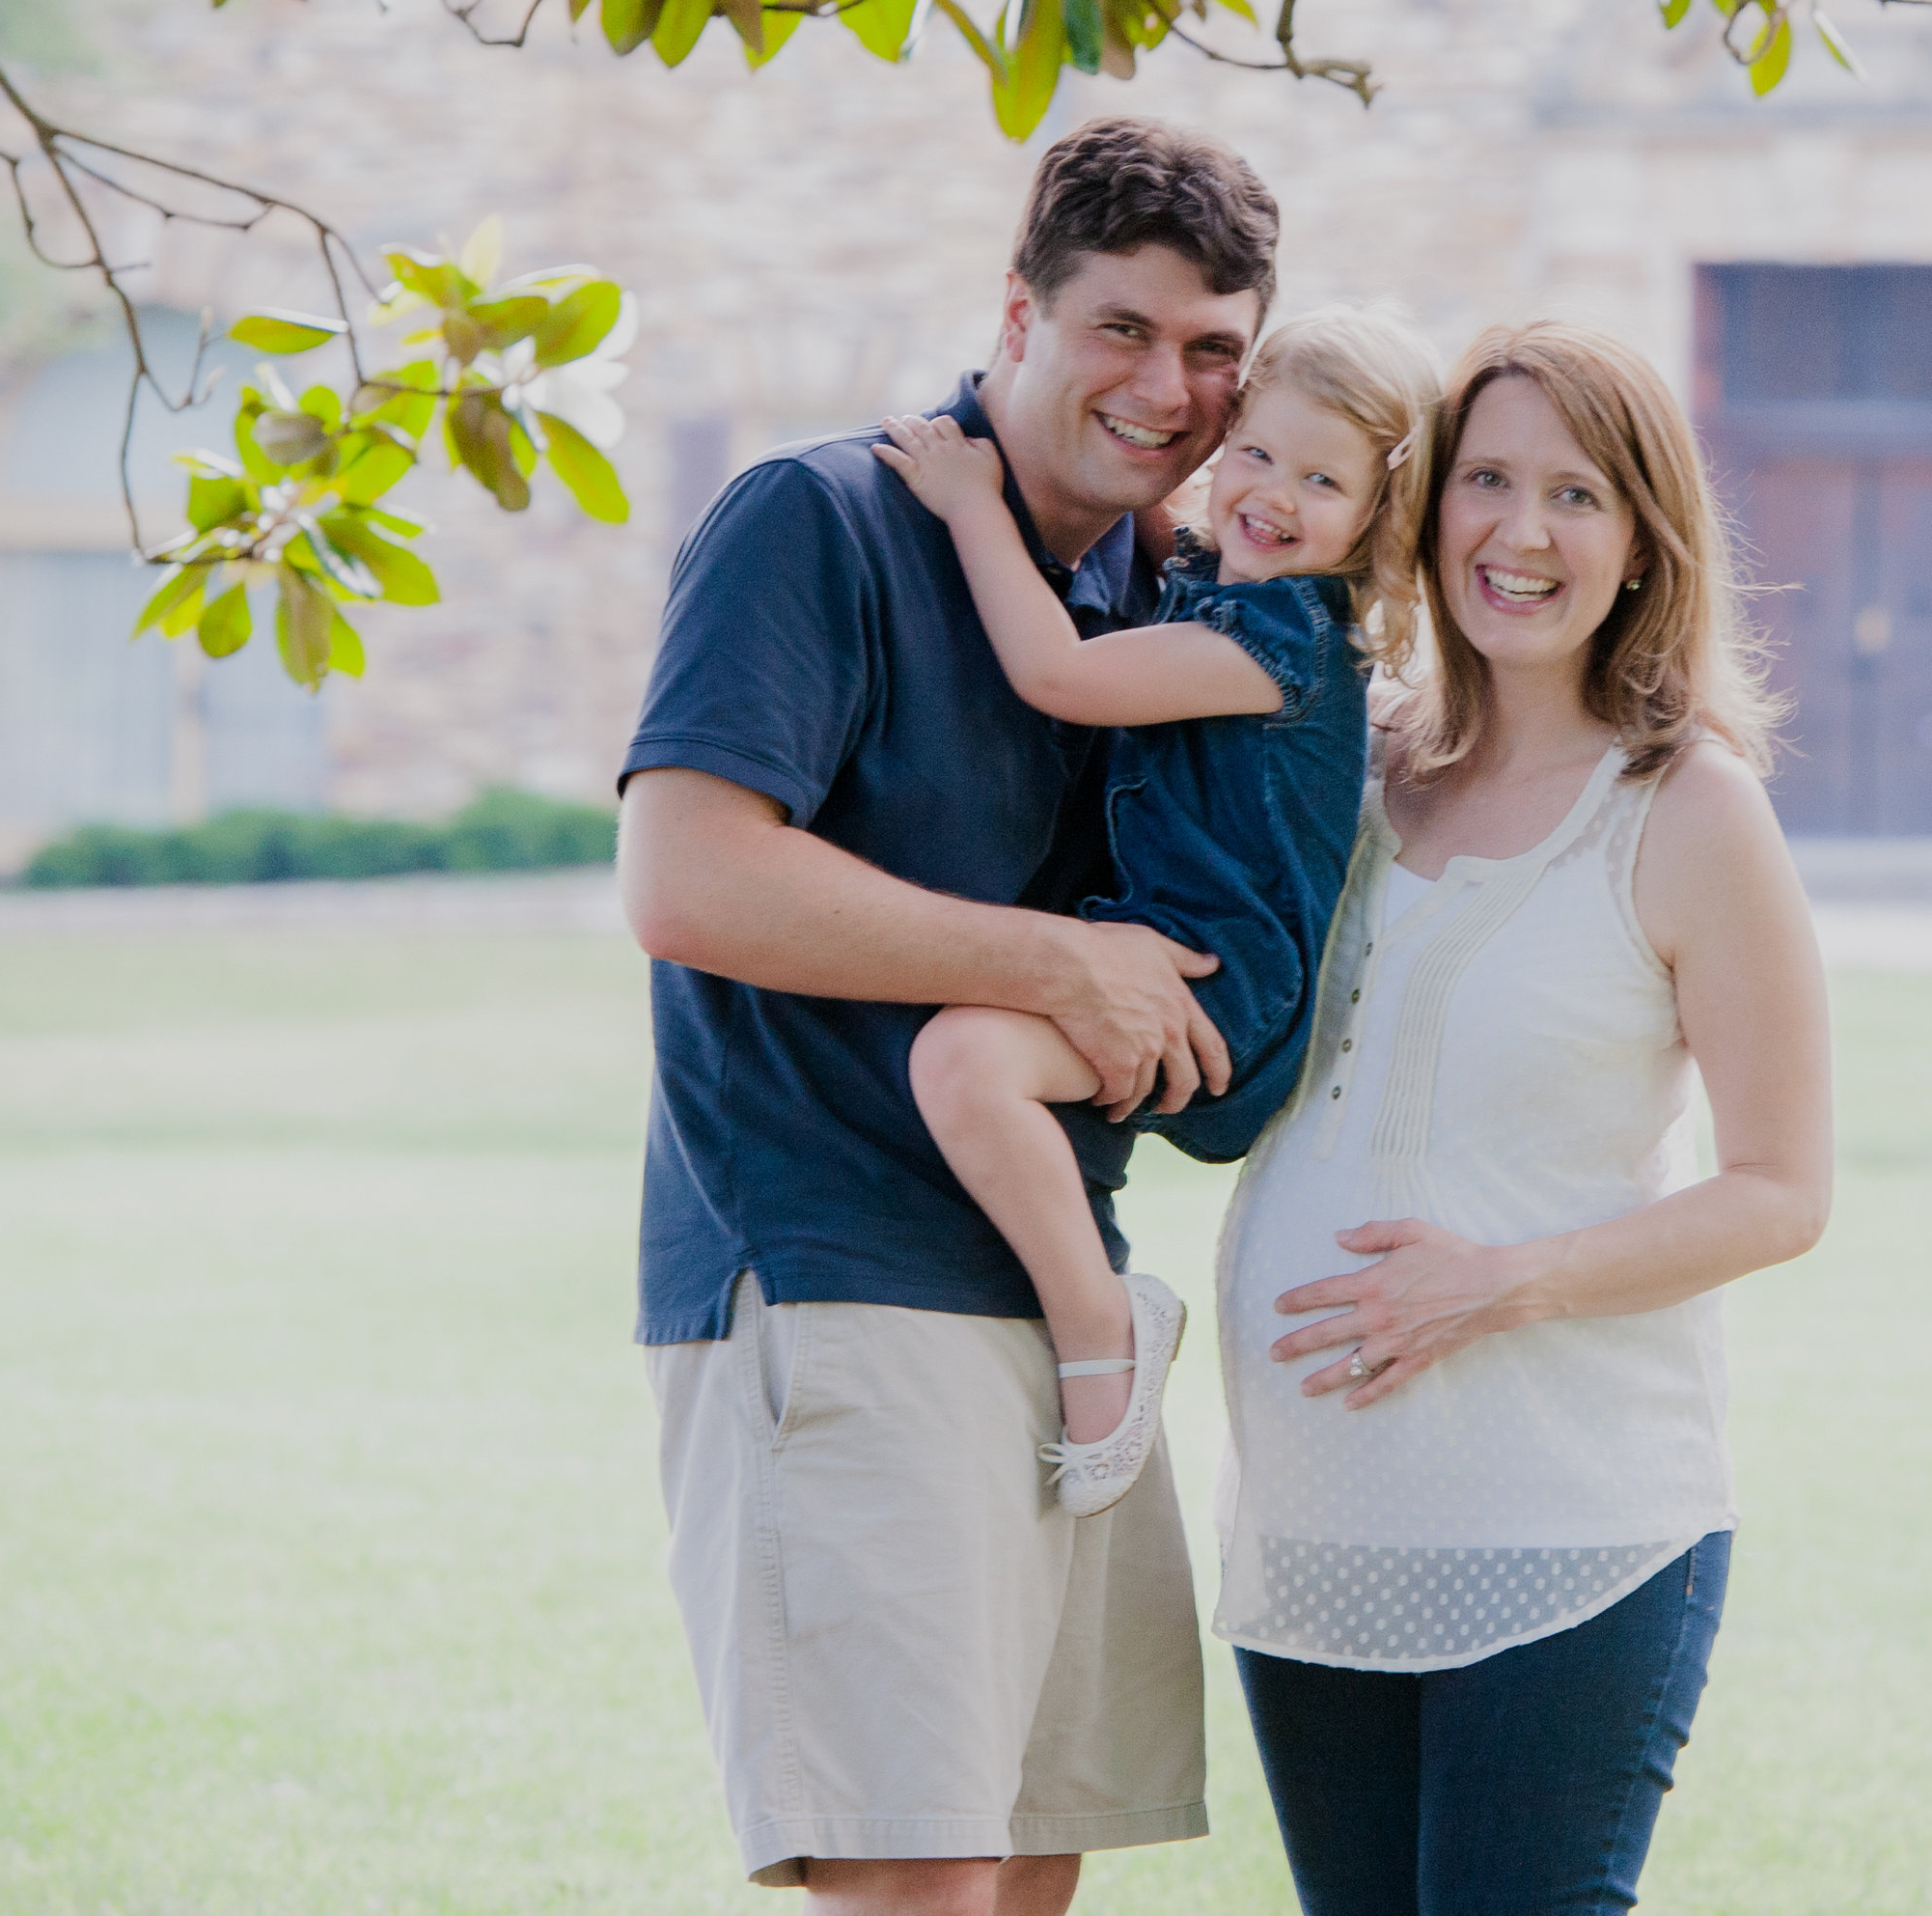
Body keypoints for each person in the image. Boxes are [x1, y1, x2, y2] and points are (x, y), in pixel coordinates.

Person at [614, 116, 1274, 1914]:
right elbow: (686, 875)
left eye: (1213, 346)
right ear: (1018, 312)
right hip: (837, 1271)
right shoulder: (817, 519)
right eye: (1122, 327)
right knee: (920, 1881)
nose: (1167, 387)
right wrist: (1051, 965)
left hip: (1066, 1300)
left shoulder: (1166, 596)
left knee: (1036, 1868)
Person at [1209, 320, 1836, 1916]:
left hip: (1570, 1529)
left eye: (1577, 493)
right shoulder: (1347, 760)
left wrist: (1501, 1281)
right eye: (1487, 478)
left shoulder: (1690, 809)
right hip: (1318, 1527)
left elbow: (1781, 1188)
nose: (1522, 530)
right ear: (1425, 509)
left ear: (1642, 540)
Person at [870, 305, 1442, 1516]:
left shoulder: (1281, 640)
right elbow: (1158, 511)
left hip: (1221, 985)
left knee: (964, 1064)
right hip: (1172, 946)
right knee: (966, 1063)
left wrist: (972, 503)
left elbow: (1058, 674)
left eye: (1322, 480)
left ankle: (1101, 1327)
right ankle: (1089, 1310)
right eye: (1256, 453)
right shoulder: (1217, 583)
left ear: (1377, 517)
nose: (1272, 494)